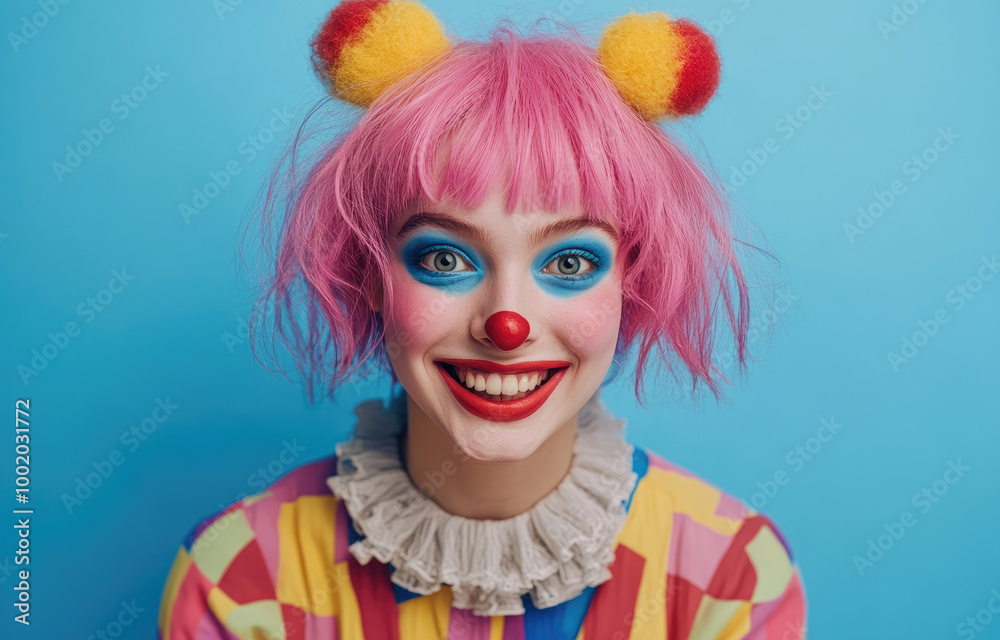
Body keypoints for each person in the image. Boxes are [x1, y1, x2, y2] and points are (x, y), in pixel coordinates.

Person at [157, 1, 807, 638]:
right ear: (371, 275)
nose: (507, 324)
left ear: (628, 281)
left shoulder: (730, 576)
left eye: (571, 263)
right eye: (444, 257)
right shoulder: (241, 576)